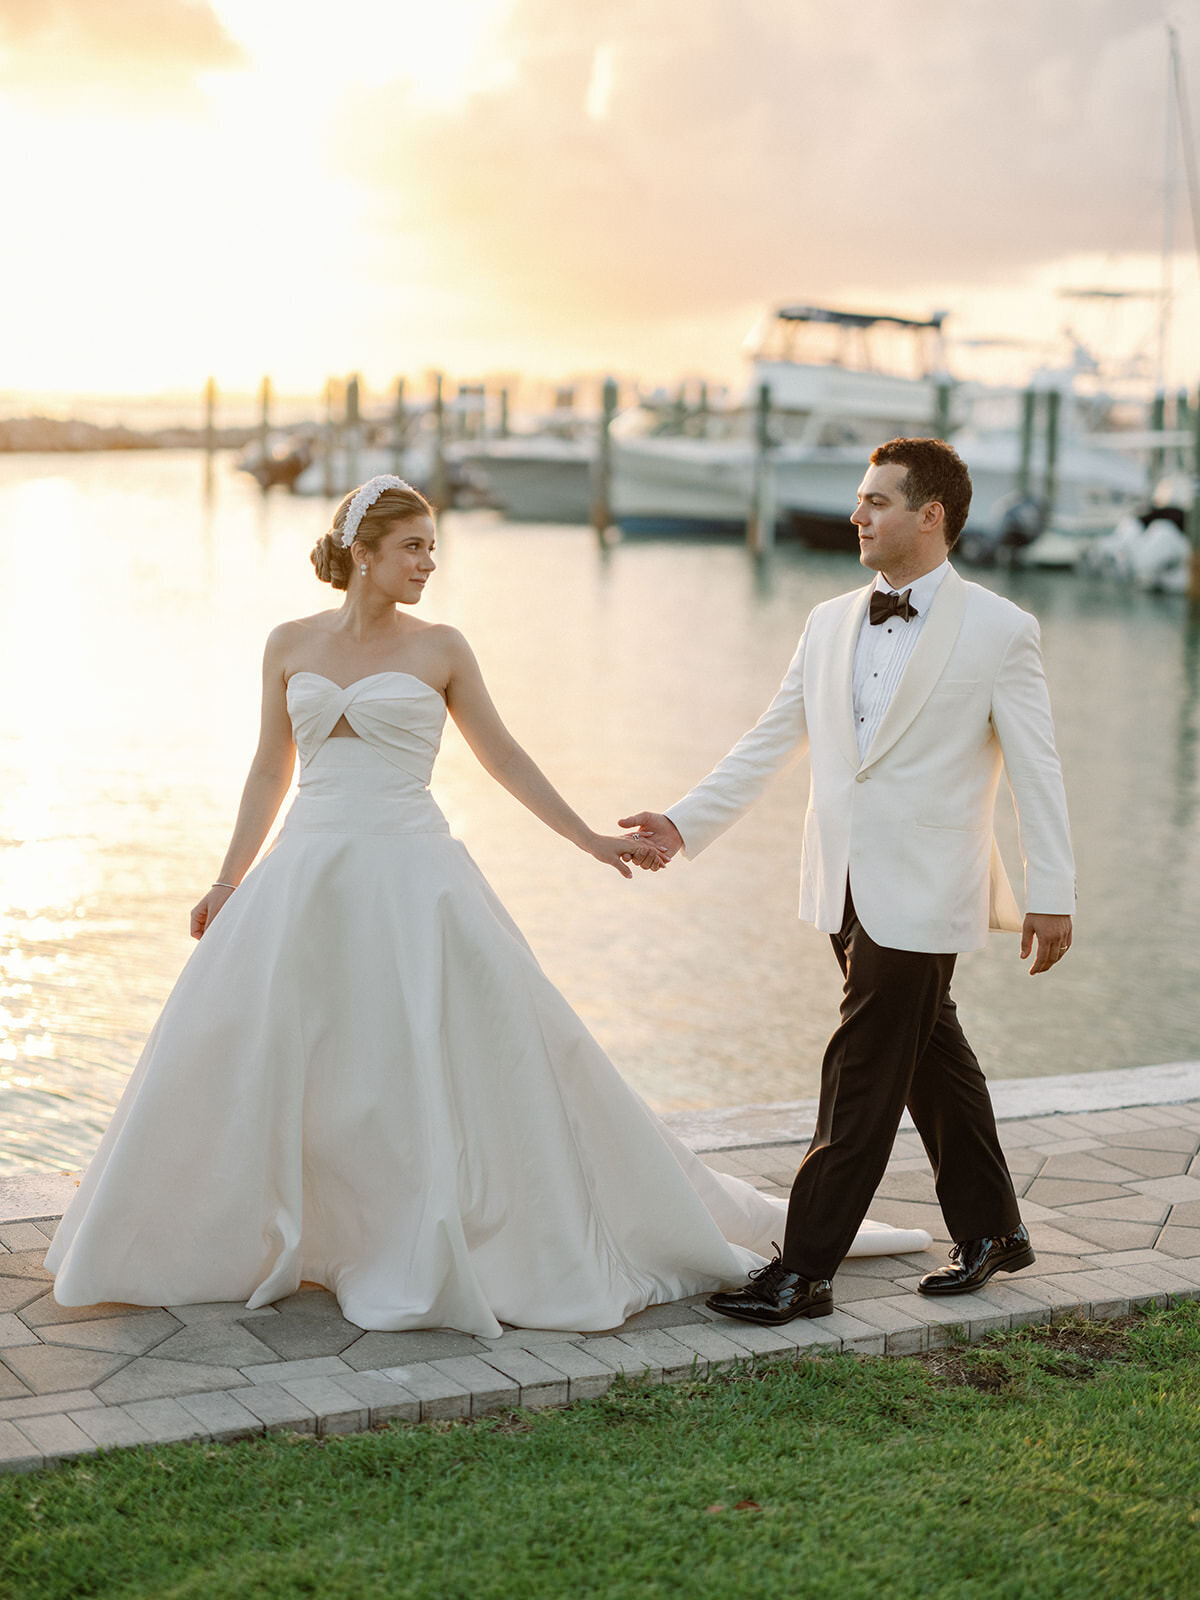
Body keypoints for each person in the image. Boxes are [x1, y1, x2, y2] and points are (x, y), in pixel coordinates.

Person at [46, 475, 930, 1337]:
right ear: (363, 555)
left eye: (433, 547)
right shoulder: (287, 642)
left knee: (436, 1058)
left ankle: (427, 1233)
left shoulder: (442, 649)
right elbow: (269, 768)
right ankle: (290, 1233)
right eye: (413, 547)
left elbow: (503, 757)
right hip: (304, 875)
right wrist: (227, 880)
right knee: (276, 1053)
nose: (430, 562)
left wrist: (589, 837)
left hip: (414, 878)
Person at [622, 438, 1074, 1326]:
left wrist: (1049, 889)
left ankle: (806, 1267)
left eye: (876, 500)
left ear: (930, 514)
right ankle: (995, 1231)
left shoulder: (1001, 630)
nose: (858, 514)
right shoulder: (830, 620)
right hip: (842, 885)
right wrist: (684, 822)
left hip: (928, 886)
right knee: (929, 1057)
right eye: (860, 500)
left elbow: (1038, 769)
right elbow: (769, 737)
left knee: (861, 1070)